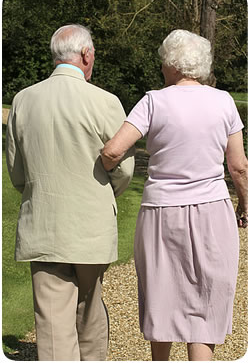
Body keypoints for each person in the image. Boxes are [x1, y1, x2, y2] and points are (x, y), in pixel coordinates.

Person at [101, 29, 248, 361]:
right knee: (206, 304)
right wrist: (245, 205)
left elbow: (112, 151)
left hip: (161, 213)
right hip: (213, 211)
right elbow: (238, 166)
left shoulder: (154, 100)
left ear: (172, 64)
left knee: (162, 299)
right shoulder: (223, 101)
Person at [6, 24, 134, 361]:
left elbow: (17, 172)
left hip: (43, 224)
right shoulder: (106, 101)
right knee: (90, 313)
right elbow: (125, 169)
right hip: (91, 225)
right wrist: (103, 195)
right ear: (87, 55)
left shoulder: (23, 100)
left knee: (51, 325)